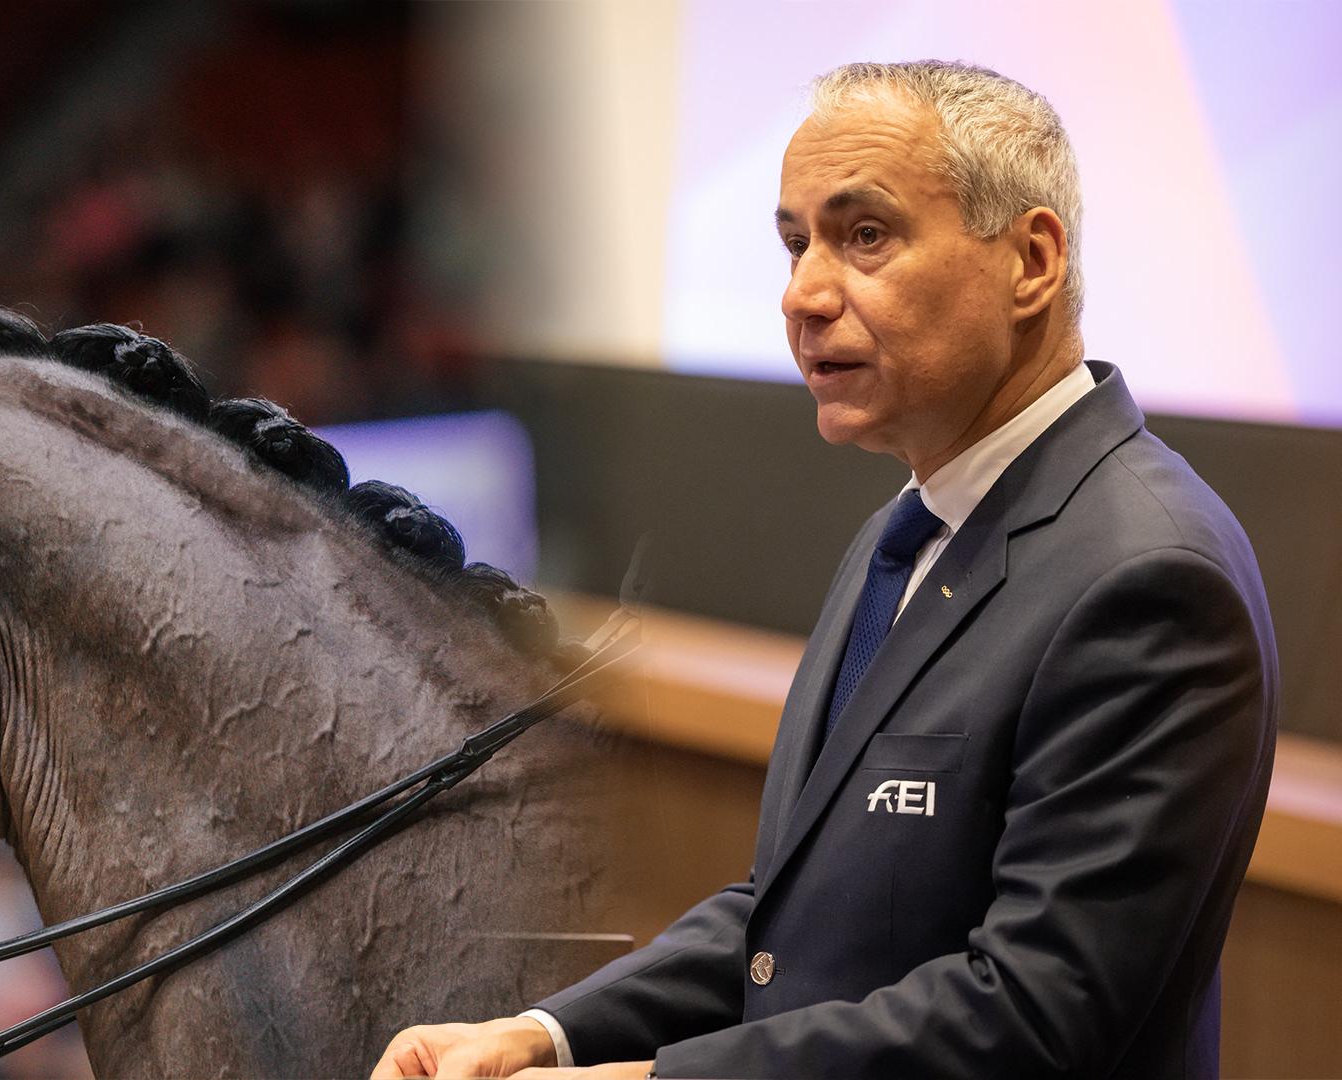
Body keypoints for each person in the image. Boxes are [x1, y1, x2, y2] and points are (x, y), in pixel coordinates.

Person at [371, 60, 1277, 1080]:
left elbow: (1032, 1018)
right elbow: (792, 919)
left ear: (1031, 261)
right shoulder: (907, 532)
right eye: (796, 243)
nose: (802, 294)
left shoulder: (1150, 577)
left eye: (867, 235)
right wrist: (541, 1034)